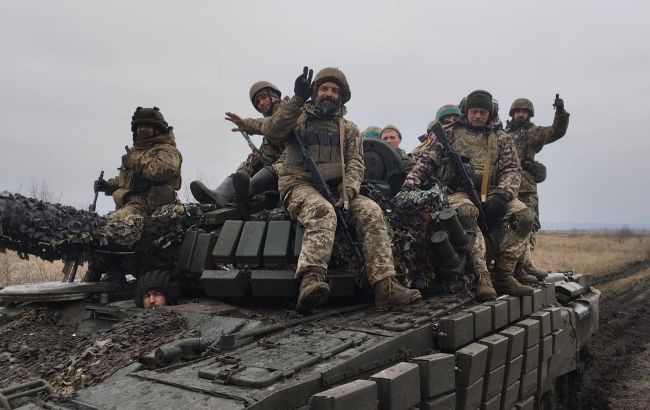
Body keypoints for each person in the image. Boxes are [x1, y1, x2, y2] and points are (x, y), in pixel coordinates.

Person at [260, 66, 422, 311]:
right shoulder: (298, 119)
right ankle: (311, 280)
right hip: (299, 184)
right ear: (315, 92)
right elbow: (273, 132)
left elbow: (356, 163)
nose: (329, 94)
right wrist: (297, 100)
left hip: (337, 188)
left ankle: (386, 287)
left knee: (371, 211)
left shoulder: (350, 129)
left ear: (341, 96)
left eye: (334, 91)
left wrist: (349, 191)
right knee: (322, 211)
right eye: (324, 88)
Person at [402, 90, 537, 300]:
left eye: (483, 112)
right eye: (474, 111)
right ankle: (483, 277)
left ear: (490, 113)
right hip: (456, 193)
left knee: (525, 216)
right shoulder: (448, 133)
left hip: (492, 193)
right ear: (466, 110)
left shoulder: (502, 138)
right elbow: (425, 162)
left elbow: (512, 170)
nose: (478, 116)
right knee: (467, 213)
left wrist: (502, 195)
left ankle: (504, 274)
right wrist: (409, 187)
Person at [504, 96, 570, 283]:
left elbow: (557, 131)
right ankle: (508, 267)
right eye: (518, 111)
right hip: (504, 188)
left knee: (530, 226)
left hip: (526, 188)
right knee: (505, 228)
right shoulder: (502, 134)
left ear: (529, 115)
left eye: (524, 112)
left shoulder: (534, 133)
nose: (521, 114)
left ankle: (526, 264)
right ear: (512, 113)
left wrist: (560, 112)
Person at [190, 81, 286, 206]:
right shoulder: (266, 133)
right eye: (258, 102)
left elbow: (277, 125)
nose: (261, 103)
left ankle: (246, 192)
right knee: (247, 165)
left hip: (292, 171)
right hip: (272, 176)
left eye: (263, 98)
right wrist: (257, 162)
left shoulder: (289, 113)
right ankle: (221, 195)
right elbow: (268, 159)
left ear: (274, 96)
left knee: (278, 166)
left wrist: (248, 124)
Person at [94, 107, 182, 221]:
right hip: (130, 205)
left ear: (157, 129)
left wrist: (133, 161)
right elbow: (126, 180)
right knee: (99, 222)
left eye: (147, 126)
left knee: (109, 223)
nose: (142, 129)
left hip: (152, 205)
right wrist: (107, 186)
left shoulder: (167, 150)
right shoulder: (134, 152)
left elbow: (161, 171)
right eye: (140, 126)